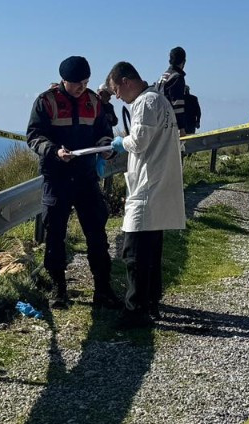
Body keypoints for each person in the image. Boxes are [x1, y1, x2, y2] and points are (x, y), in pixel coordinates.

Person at [27, 56, 123, 309]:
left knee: (97, 234)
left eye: (86, 82)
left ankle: (103, 289)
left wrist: (106, 149)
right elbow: (34, 136)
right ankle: (58, 290)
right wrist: (54, 151)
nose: (82, 87)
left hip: (86, 178)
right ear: (64, 80)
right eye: (78, 83)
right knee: (55, 235)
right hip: (56, 178)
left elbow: (104, 132)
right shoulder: (45, 101)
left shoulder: (93, 101)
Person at [106, 61, 186, 326]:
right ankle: (151, 302)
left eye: (116, 90)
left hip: (149, 185)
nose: (117, 96)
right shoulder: (159, 100)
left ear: (126, 81)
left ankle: (135, 309)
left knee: (134, 253)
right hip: (157, 182)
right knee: (151, 251)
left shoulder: (145, 103)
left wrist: (121, 142)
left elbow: (139, 141)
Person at [157, 46, 198, 135]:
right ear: (184, 62)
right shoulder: (176, 77)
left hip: (159, 121)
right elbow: (177, 104)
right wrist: (181, 128)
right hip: (169, 125)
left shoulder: (163, 76)